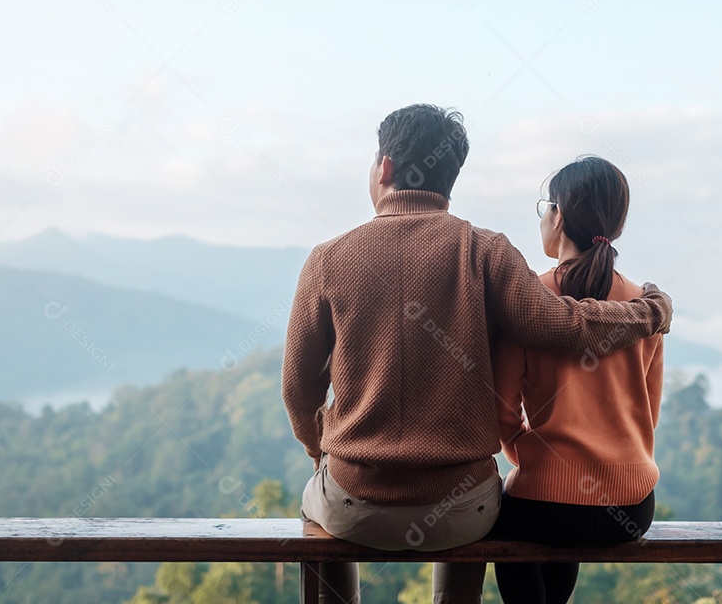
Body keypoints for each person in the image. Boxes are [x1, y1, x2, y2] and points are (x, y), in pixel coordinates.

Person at [281, 106, 671, 604]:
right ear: (450, 176)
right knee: (474, 520)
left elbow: (298, 387)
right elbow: (559, 324)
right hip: (461, 509)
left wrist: (322, 454)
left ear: (384, 168)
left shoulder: (327, 259)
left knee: (316, 514)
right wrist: (647, 314)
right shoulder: (485, 250)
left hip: (354, 501)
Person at [488, 156, 664, 603]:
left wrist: (534, 462)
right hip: (631, 505)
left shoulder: (530, 301)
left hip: (545, 505)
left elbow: (501, 412)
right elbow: (649, 413)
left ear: (559, 214)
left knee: (515, 522)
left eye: (544, 207)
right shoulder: (645, 307)